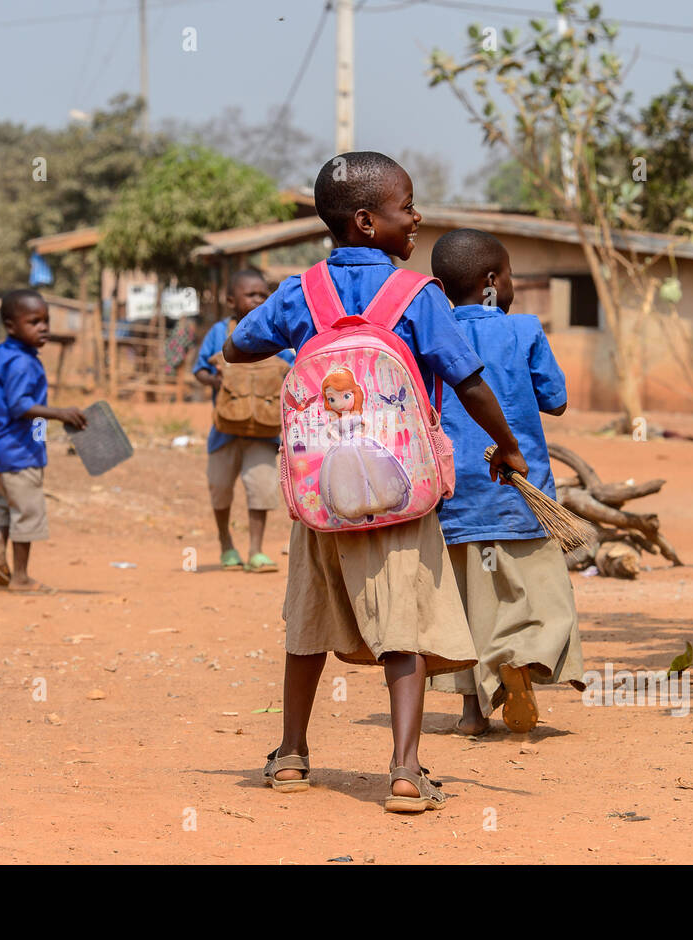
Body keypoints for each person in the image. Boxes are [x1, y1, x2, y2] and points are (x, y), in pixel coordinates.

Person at [223, 152, 527, 812]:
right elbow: (470, 381)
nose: (416, 216)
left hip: (321, 496)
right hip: (400, 493)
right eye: (406, 205)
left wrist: (304, 336)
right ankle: (405, 769)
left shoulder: (300, 291)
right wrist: (507, 446)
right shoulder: (418, 296)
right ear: (365, 221)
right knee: (404, 629)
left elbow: (238, 346)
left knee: (307, 627)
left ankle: (292, 755)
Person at [426, 228, 584, 735]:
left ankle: (472, 712)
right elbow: (555, 400)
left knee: (470, 601)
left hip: (454, 496)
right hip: (522, 491)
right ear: (494, 281)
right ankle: (522, 659)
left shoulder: (430, 334)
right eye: (511, 274)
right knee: (537, 592)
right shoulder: (525, 329)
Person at [0, 289, 86, 592]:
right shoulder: (23, 363)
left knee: (8, 503)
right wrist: (60, 413)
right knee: (28, 510)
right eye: (34, 322)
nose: (43, 327)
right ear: (11, 326)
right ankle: (20, 577)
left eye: (45, 321)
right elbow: (20, 406)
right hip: (19, 450)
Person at [192, 269, 294, 572]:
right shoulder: (217, 333)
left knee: (261, 489)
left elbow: (291, 369)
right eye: (251, 294)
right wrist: (220, 384)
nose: (259, 299)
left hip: (264, 432)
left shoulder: (275, 336)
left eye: (264, 295)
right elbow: (199, 369)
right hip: (224, 430)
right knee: (220, 487)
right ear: (230, 300)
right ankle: (226, 543)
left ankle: (256, 551)